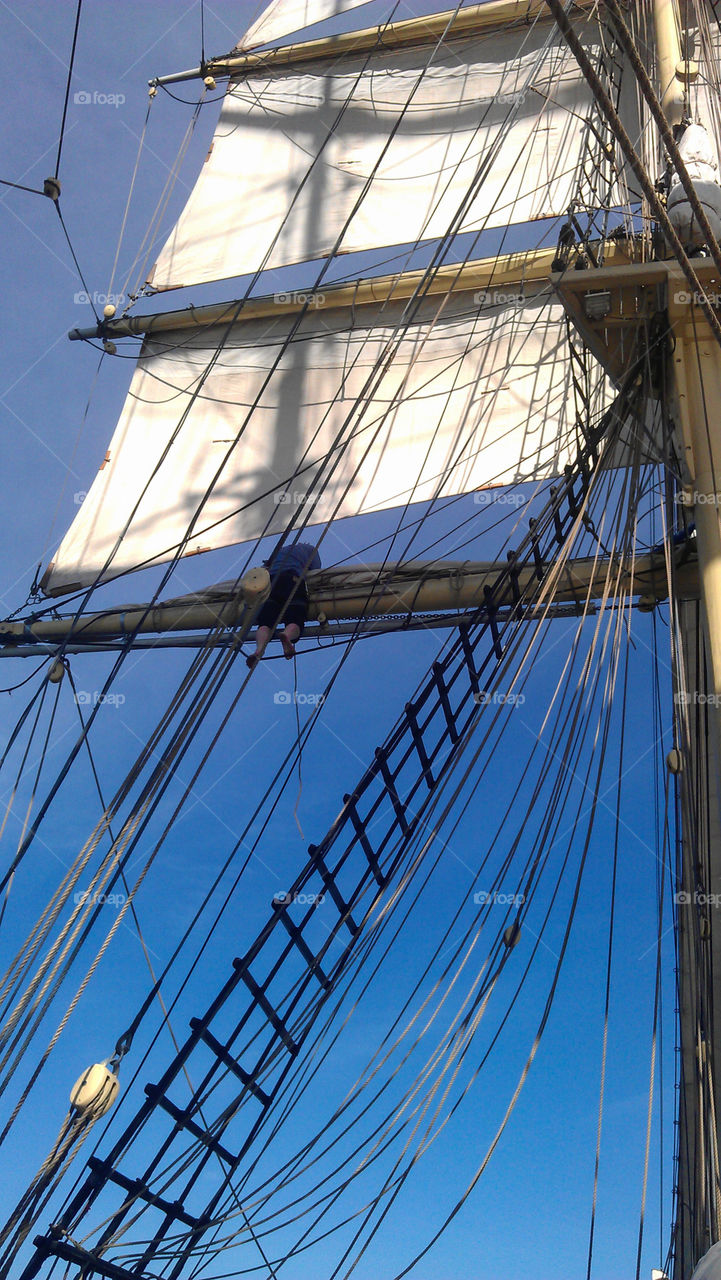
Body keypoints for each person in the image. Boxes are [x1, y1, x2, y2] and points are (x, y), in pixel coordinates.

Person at [246, 541, 321, 669]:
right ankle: (287, 635)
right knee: (295, 620)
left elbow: (264, 568)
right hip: (292, 580)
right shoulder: (310, 549)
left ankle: (259, 650)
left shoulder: (280, 551)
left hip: (270, 583)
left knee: (265, 623)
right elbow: (316, 570)